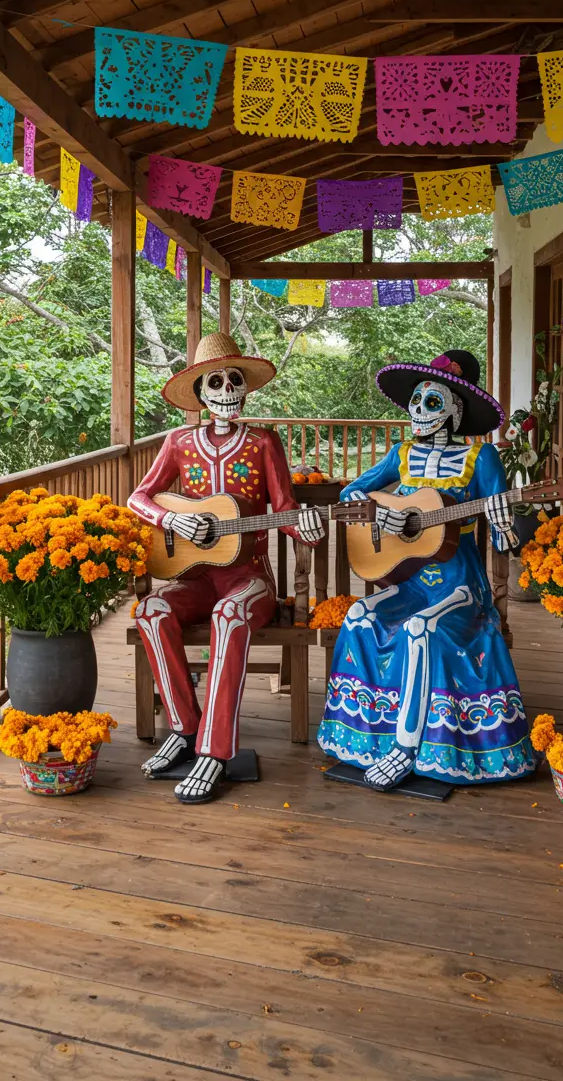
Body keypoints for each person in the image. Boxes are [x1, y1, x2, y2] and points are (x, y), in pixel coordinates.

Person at [318, 349, 535, 789]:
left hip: (460, 583)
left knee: (421, 629)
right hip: (411, 579)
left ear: (456, 410)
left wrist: (503, 526)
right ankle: (361, 736)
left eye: (432, 402)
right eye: (416, 401)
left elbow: (501, 540)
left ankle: (406, 746)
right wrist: (383, 512)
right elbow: (350, 495)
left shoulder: (482, 459)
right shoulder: (401, 454)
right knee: (359, 614)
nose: (418, 410)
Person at [129, 332, 323, 803]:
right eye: (215, 381)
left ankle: (214, 752)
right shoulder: (178, 442)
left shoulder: (263, 443)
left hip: (248, 577)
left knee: (230, 616)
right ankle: (183, 727)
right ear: (200, 392)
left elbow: (285, 508)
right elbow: (139, 497)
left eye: (235, 379)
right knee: (151, 612)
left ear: (246, 388)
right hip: (196, 576)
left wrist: (308, 529)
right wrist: (172, 519)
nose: (226, 388)